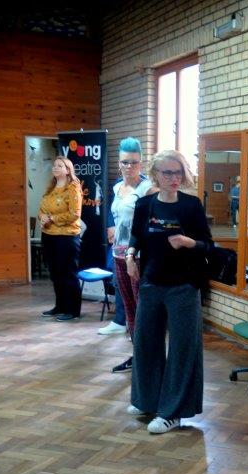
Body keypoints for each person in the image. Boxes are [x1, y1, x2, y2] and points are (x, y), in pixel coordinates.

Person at [125, 150, 213, 434]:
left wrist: (189, 242)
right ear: (155, 175)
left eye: (178, 172)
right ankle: (147, 400)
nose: (174, 178)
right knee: (146, 344)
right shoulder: (145, 205)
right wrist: (130, 254)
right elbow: (137, 236)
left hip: (183, 286)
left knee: (182, 349)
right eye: (168, 173)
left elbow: (208, 246)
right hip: (151, 283)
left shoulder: (191, 206)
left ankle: (172, 413)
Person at [104, 138, 156, 375]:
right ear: (119, 162)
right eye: (125, 162)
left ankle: (148, 359)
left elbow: (154, 225)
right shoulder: (117, 188)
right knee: (129, 306)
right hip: (118, 254)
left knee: (143, 308)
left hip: (138, 258)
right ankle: (138, 355)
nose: (129, 166)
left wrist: (136, 252)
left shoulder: (147, 190)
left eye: (134, 162)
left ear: (141, 163)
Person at [38, 157, 83, 321]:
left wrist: (52, 219)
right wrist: (42, 217)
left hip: (66, 237)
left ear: (68, 170)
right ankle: (60, 306)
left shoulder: (73, 188)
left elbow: (74, 214)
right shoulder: (50, 188)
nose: (55, 168)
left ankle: (72, 310)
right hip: (48, 236)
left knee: (68, 273)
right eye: (54, 165)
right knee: (55, 273)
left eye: (60, 165)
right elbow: (42, 209)